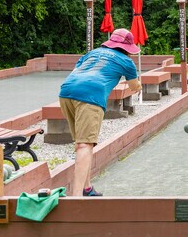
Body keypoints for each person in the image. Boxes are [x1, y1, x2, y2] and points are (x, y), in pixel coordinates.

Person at [59, 28, 142, 196]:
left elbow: (80, 72)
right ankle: (76, 197)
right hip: (90, 97)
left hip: (66, 92)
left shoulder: (93, 53)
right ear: (127, 48)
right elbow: (134, 86)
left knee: (81, 143)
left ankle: (87, 187)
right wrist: (140, 86)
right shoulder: (126, 61)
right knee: (85, 144)